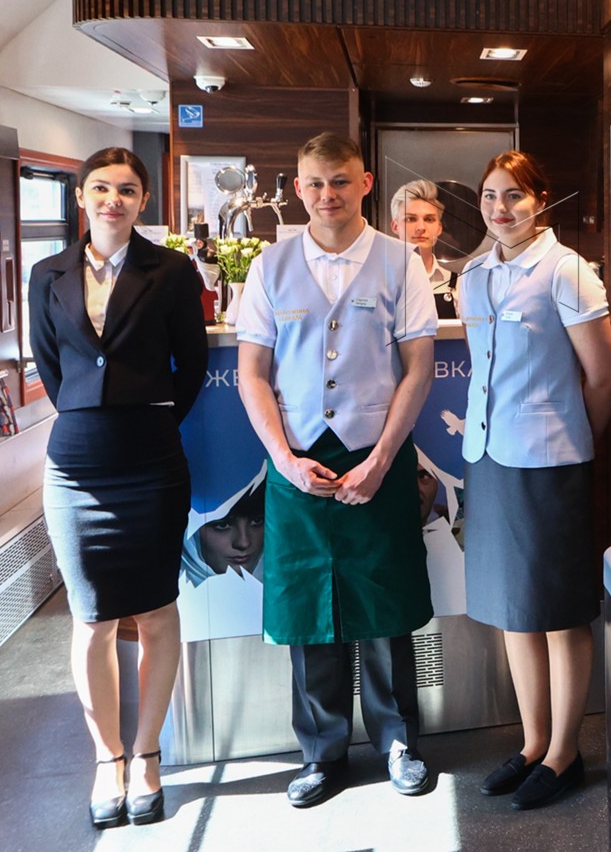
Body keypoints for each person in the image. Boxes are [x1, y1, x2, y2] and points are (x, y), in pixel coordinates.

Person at [235, 133, 438, 807]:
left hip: (375, 451)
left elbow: (419, 368)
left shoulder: (401, 263)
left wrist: (382, 460)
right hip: (297, 460)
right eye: (316, 183)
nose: (329, 195)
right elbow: (252, 373)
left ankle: (399, 742)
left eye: (341, 181)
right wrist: (283, 459)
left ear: (366, 183)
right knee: (308, 611)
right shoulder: (269, 266)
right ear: (298, 188)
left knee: (384, 603)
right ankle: (321, 754)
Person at [27, 147, 207, 828]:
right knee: (93, 617)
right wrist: (93, 412)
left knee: (157, 610)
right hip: (76, 462)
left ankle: (148, 753)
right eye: (100, 188)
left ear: (143, 200)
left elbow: (191, 364)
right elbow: (51, 364)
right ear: (81, 197)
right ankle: (108, 759)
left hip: (152, 459)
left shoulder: (173, 270)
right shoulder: (48, 273)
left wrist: (151, 418)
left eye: (127, 190)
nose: (113, 200)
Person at [458, 150, 611, 810]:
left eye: (514, 195)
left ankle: (565, 752)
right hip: (488, 455)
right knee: (514, 611)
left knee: (557, 611)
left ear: (541, 200)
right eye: (490, 196)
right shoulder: (472, 275)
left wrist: (575, 439)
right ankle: (532, 743)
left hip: (550, 460)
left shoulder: (567, 270)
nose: (501, 209)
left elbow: (602, 377)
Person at [389, 178, 458, 320]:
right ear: (395, 226)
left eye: (429, 219)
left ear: (439, 228)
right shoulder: (379, 281)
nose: (421, 227)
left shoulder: (459, 283)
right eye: (411, 219)